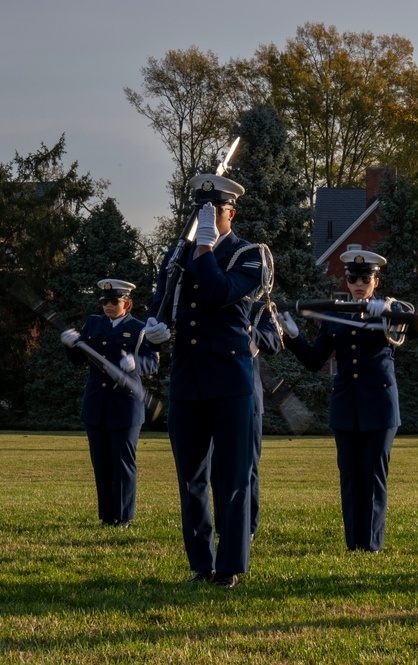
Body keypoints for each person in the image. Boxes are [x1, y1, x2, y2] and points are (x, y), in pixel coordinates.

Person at [144, 173, 272, 588]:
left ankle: (230, 567)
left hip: (229, 380)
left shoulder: (249, 254)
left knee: (231, 478)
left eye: (214, 211)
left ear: (230, 213)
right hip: (187, 378)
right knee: (191, 478)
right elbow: (162, 302)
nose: (205, 217)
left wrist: (201, 246)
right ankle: (201, 562)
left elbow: (220, 292)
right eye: (200, 210)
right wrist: (155, 329)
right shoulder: (176, 254)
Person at [277, 248, 417, 553]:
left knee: (373, 476)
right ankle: (353, 544)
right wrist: (293, 335)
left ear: (375, 281)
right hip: (346, 406)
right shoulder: (335, 315)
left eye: (365, 278)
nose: (358, 283)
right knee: (351, 478)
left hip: (379, 406)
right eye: (353, 278)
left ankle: (372, 545)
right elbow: (315, 360)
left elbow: (417, 325)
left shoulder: (391, 310)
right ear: (346, 279)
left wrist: (387, 314)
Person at [61, 279, 159, 528]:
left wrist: (137, 362)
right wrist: (70, 345)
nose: (108, 305)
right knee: (101, 462)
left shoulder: (139, 329)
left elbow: (153, 362)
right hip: (96, 404)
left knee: (123, 462)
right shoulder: (94, 323)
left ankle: (124, 516)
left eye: (114, 301)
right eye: (104, 301)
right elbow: (78, 359)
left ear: (127, 303)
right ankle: (107, 516)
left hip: (125, 405)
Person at [248, 299, 283, 541]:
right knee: (216, 469)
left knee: (248, 467)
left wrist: (251, 331)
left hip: (248, 398)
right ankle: (224, 523)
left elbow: (273, 342)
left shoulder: (259, 308)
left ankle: (248, 525)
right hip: (211, 395)